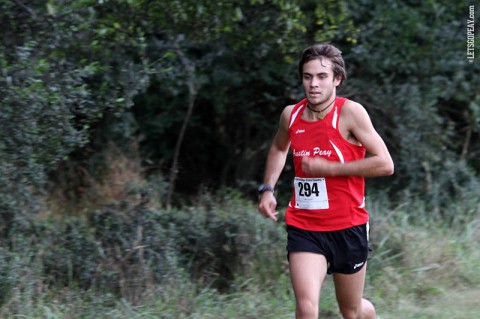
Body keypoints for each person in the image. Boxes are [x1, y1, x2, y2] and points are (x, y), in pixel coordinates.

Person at [257, 43, 394, 319]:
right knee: (306, 309)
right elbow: (279, 148)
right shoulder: (291, 115)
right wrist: (268, 188)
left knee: (352, 311)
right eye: (307, 77)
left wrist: (331, 169)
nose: (313, 84)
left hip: (348, 225)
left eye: (321, 77)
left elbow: (385, 164)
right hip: (304, 225)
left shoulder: (350, 113)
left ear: (337, 79)